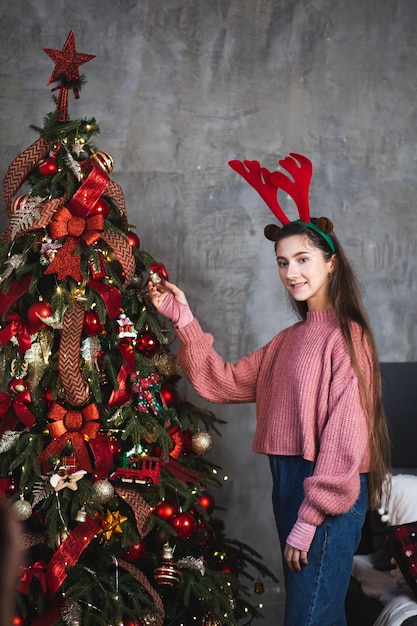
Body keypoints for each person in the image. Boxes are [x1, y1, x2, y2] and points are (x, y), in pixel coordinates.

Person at [148, 153, 391, 626]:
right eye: (282, 263)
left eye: (302, 259)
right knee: (316, 614)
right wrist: (184, 320)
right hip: (289, 484)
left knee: (310, 618)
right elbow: (220, 381)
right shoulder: (288, 340)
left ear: (331, 264)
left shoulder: (349, 336)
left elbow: (346, 435)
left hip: (326, 492)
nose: (291, 273)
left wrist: (310, 516)